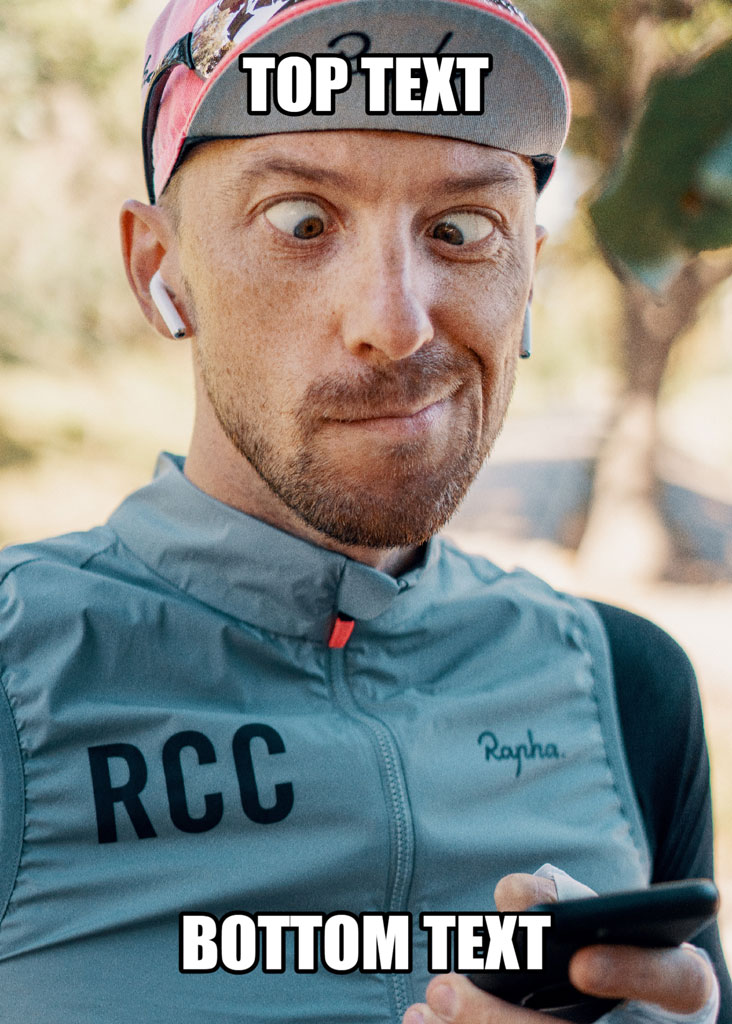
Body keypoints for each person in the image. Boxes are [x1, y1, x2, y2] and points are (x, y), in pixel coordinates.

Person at [0, 0, 728, 1021]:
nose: (394, 319)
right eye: (302, 222)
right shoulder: (20, 676)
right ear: (158, 267)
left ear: (531, 275)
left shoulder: (631, 691)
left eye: (463, 229)